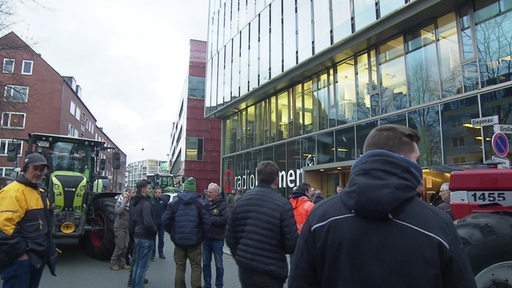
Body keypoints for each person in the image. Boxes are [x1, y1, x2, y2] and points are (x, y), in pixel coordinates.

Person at [288, 124, 477, 288]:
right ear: (402, 160)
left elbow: (300, 281)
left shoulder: (320, 219)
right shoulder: (437, 224)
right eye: (416, 160)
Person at [226, 160, 298, 288]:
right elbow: (291, 244)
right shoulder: (283, 204)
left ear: (257, 177)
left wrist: (240, 258)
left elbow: (231, 237)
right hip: (272, 270)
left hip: (246, 269)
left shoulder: (241, 202)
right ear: (276, 179)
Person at [0, 153, 58, 288]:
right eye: (35, 168)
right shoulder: (13, 192)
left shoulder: (40, 192)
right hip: (20, 260)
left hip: (37, 258)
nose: (38, 173)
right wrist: (21, 254)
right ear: (25, 169)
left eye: (42, 169)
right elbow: (4, 228)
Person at [162, 177, 211, 288]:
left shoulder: (175, 203)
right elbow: (207, 223)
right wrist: (202, 236)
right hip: (195, 241)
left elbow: (165, 221)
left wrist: (173, 234)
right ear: (194, 189)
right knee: (196, 268)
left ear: (184, 189)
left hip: (179, 242)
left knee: (180, 267)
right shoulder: (200, 204)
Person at [130, 180, 156, 288]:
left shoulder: (135, 202)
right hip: (146, 236)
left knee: (137, 263)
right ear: (143, 189)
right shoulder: (145, 204)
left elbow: (133, 219)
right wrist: (154, 231)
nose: (150, 190)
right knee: (142, 265)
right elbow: (148, 222)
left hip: (137, 235)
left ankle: (134, 285)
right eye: (149, 188)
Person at [202, 183, 228, 288]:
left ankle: (219, 284)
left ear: (217, 193)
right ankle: (207, 284)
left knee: (219, 264)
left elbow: (225, 219)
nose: (208, 194)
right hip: (206, 238)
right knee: (206, 264)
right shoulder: (205, 203)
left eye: (210, 192)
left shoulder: (223, 204)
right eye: (207, 191)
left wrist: (210, 219)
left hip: (218, 239)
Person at [289, 183, 315, 267]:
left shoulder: (289, 205)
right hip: (307, 243)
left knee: (294, 266)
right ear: (306, 192)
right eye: (310, 190)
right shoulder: (310, 206)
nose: (312, 192)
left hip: (293, 241)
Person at [110, 189, 133, 271]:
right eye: (126, 195)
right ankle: (113, 263)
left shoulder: (129, 205)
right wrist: (124, 202)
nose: (127, 197)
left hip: (126, 228)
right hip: (119, 227)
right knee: (120, 246)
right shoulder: (119, 203)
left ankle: (122, 263)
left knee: (125, 246)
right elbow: (118, 211)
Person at [150, 186, 167, 260]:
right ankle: (152, 254)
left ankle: (161, 253)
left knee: (161, 239)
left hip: (161, 223)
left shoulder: (164, 201)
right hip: (153, 223)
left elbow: (167, 211)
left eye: (160, 193)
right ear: (154, 193)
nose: (158, 194)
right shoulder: (151, 201)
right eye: (157, 193)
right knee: (153, 239)